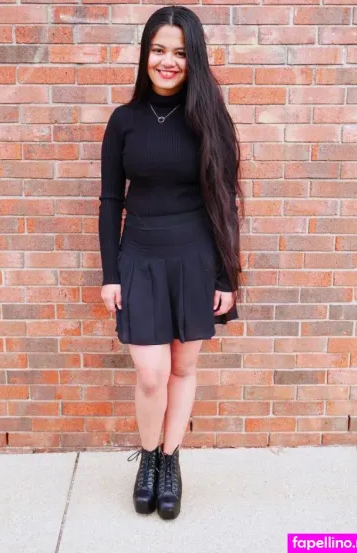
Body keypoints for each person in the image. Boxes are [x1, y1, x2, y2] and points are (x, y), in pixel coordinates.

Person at [98, 6, 244, 520]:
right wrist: (110, 274)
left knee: (183, 367)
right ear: (145, 54)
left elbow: (224, 202)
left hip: (194, 258)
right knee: (151, 373)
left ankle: (170, 459)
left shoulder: (210, 120)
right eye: (159, 49)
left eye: (180, 52)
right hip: (139, 257)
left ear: (193, 58)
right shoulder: (124, 121)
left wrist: (226, 276)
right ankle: (147, 457)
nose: (168, 61)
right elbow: (110, 201)